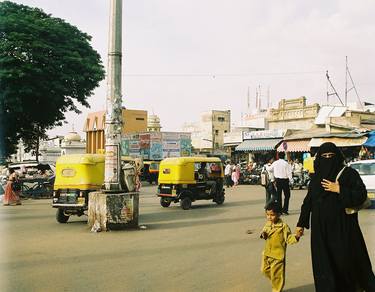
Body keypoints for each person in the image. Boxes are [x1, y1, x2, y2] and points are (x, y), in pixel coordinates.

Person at [296, 142, 375, 292]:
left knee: (345, 262)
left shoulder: (349, 174)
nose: (327, 159)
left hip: (343, 228)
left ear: (337, 157)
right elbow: (308, 202)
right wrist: (301, 224)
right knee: (324, 262)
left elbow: (361, 195)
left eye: (331, 156)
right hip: (321, 231)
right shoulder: (316, 179)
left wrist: (339, 189)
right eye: (324, 156)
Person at [260, 202, 301, 292]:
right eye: (267, 215)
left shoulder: (283, 227)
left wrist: (297, 236)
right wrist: (263, 234)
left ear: (278, 214)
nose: (269, 217)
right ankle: (277, 281)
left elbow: (289, 238)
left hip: (278, 256)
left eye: (272, 215)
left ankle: (277, 288)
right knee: (264, 270)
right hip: (267, 253)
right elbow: (264, 232)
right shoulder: (268, 223)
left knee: (277, 276)